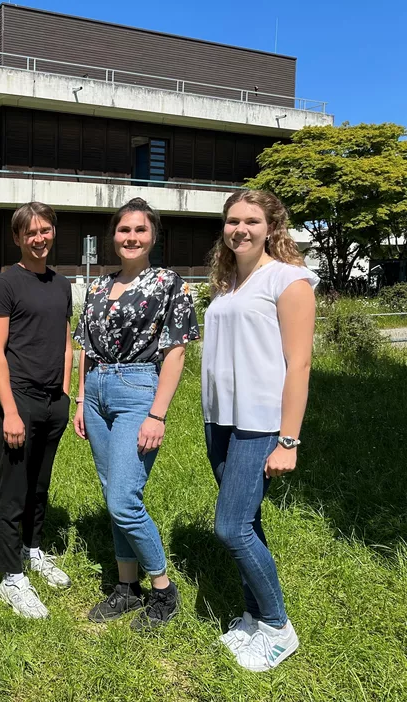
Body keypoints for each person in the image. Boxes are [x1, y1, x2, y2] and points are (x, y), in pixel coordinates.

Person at [202, 189, 316, 671]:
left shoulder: (288, 280)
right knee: (247, 522)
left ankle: (277, 625)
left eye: (251, 220)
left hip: (260, 422)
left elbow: (300, 363)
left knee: (230, 527)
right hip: (221, 419)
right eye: (232, 221)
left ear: (272, 227)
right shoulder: (228, 284)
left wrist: (288, 439)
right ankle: (253, 614)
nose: (240, 229)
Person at [72, 198, 199, 630]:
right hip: (97, 392)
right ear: (114, 236)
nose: (131, 237)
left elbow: (176, 351)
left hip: (137, 389)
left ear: (153, 236)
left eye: (140, 231)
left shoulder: (168, 283)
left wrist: (157, 415)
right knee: (113, 496)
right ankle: (127, 589)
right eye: (124, 230)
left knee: (125, 499)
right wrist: (79, 400)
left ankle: (163, 591)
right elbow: (84, 349)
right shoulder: (97, 288)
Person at [0, 202, 74, 619]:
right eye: (30, 233)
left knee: (41, 486)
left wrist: (67, 392)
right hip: (18, 398)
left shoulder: (62, 284)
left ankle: (33, 549)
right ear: (18, 238)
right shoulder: (6, 284)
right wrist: (11, 412)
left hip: (54, 401)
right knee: (14, 489)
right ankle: (10, 577)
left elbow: (67, 339)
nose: (39, 239)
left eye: (45, 230)